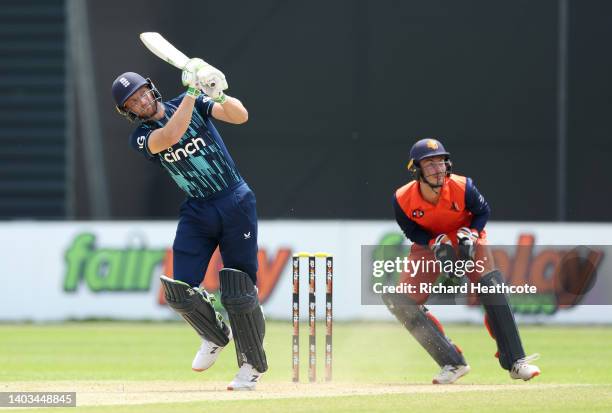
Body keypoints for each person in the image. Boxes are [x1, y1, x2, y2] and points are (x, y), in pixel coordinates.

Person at [111, 58, 266, 391]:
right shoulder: (141, 136)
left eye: (141, 93)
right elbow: (171, 134)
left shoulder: (188, 102)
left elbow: (240, 116)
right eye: (132, 102)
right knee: (179, 291)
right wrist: (194, 92)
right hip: (198, 210)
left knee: (238, 289)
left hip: (234, 199)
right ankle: (214, 335)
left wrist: (219, 93)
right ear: (129, 112)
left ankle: (251, 367)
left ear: (151, 89)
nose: (141, 101)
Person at [384, 138, 540, 384]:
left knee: (491, 286)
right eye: (430, 165)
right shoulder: (402, 198)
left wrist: (473, 234)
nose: (438, 170)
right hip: (431, 245)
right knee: (400, 301)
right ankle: (452, 362)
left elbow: (483, 212)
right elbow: (411, 231)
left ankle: (516, 361)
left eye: (441, 163)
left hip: (467, 237)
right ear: (417, 170)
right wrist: (434, 242)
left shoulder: (463, 186)